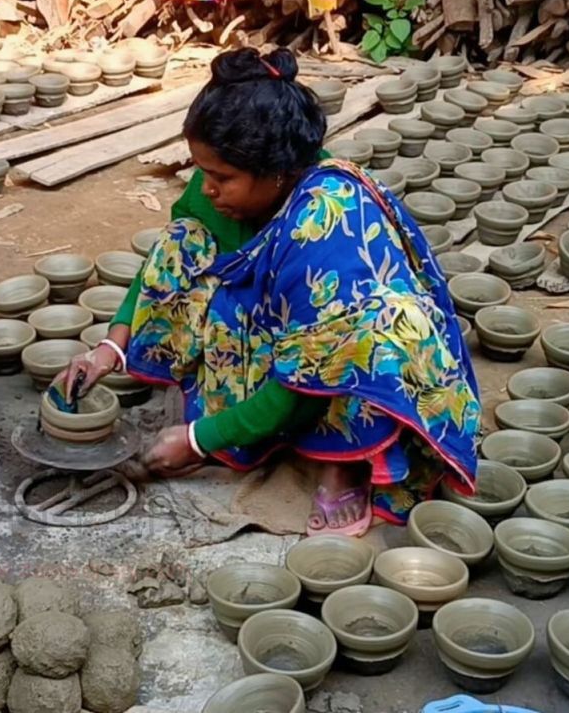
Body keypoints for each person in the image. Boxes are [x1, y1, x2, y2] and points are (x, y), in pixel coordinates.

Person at [55, 47, 481, 537]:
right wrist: (110, 348)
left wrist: (199, 440)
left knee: (367, 338)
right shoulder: (220, 189)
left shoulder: (325, 223)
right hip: (298, 330)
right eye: (203, 171)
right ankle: (246, 421)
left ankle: (345, 458)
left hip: (363, 357)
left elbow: (312, 368)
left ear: (274, 170)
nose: (208, 188)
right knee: (183, 243)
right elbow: (165, 264)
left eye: (222, 177)